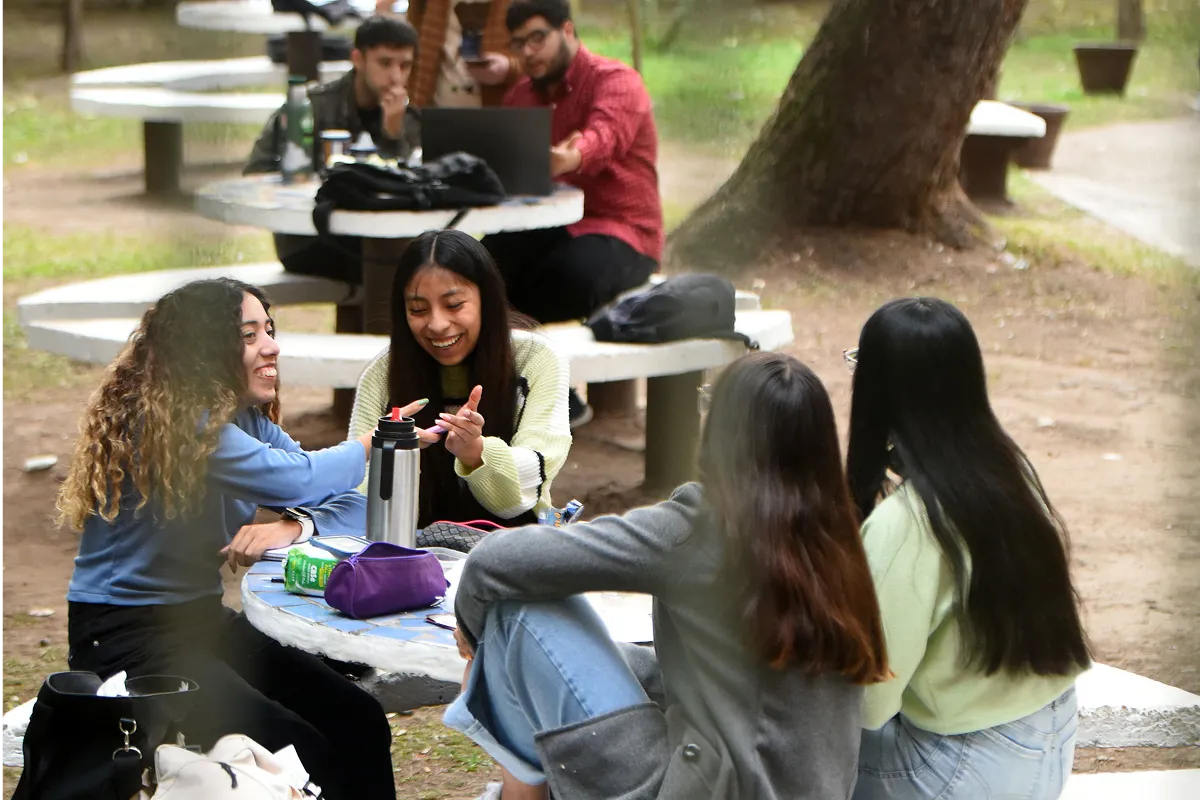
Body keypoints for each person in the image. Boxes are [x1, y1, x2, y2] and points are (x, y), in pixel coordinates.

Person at [441, 351, 891, 800]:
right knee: (546, 633)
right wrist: (591, 656)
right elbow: (719, 682)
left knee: (516, 612)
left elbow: (495, 561)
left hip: (705, 788)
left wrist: (477, 636)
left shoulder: (705, 525)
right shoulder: (839, 538)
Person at [58, 278, 400, 800]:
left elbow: (338, 495)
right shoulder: (174, 423)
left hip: (200, 620)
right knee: (299, 748)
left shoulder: (242, 420)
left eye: (269, 328)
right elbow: (300, 481)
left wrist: (297, 525)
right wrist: (372, 442)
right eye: (248, 335)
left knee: (358, 718)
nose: (271, 346)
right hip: (126, 637)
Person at [845, 298, 1091, 800]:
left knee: (781, 750)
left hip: (962, 772)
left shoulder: (905, 523)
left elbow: (869, 705)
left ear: (877, 392)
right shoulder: (1011, 471)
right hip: (1049, 743)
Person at [481, 0, 664, 426]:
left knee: (562, 279)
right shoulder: (521, 96)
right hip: (549, 226)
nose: (528, 52)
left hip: (624, 232)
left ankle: (547, 393)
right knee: (481, 268)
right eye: (518, 44)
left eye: (537, 38)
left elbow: (606, 136)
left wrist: (571, 157)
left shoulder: (616, 81)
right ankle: (549, 395)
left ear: (567, 30)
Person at [348, 229, 572, 528]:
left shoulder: (536, 359)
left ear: (486, 299)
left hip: (515, 547)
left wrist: (476, 452)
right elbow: (357, 489)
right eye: (418, 309)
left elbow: (523, 491)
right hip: (407, 551)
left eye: (454, 305)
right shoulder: (384, 372)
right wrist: (394, 457)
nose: (437, 324)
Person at [245, 15, 422, 285]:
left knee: (415, 259)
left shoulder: (409, 117)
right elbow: (256, 170)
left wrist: (393, 133)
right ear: (358, 59)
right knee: (394, 265)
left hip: (378, 237)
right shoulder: (312, 106)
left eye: (405, 65)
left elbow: (409, 185)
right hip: (309, 238)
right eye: (385, 63)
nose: (396, 76)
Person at [380, 0, 521, 108]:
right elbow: (414, 46)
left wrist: (509, 68)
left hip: (499, 118)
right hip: (435, 112)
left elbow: (538, 60)